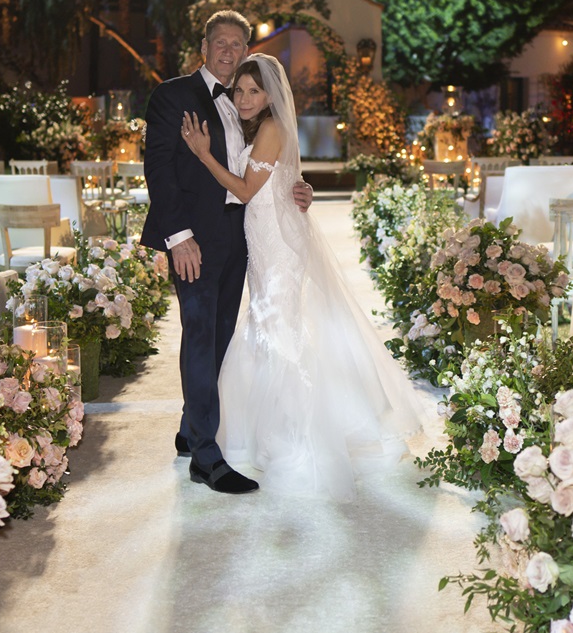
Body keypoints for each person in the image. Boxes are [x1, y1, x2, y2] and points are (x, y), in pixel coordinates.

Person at [179, 54, 422, 501]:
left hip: (277, 249)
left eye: (255, 91)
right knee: (272, 326)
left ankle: (294, 436)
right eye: (241, 90)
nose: (246, 98)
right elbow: (285, 180)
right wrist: (301, 190)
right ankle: (264, 431)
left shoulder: (270, 129)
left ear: (271, 95)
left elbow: (247, 189)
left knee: (279, 330)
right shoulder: (266, 130)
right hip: (269, 243)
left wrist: (202, 153)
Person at [141, 11, 312, 495]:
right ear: (204, 45)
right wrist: (178, 236)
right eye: (220, 41)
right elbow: (159, 170)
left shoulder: (248, 105)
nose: (228, 50)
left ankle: (189, 427)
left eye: (237, 44)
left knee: (219, 337)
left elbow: (266, 168)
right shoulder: (172, 95)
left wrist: (298, 187)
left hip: (242, 241)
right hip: (193, 241)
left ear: (245, 52)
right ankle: (206, 456)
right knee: (198, 334)